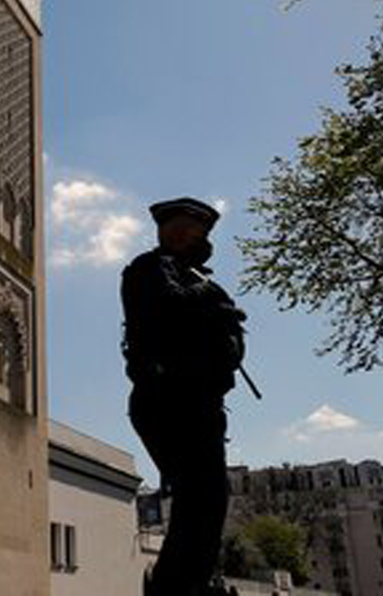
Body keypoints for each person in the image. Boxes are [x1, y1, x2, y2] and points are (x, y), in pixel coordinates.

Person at [121, 197, 246, 596]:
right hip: (168, 398)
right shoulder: (149, 268)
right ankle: (175, 587)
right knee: (201, 499)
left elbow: (230, 342)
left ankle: (188, 583)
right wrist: (216, 306)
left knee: (207, 503)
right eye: (185, 230)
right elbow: (167, 308)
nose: (194, 236)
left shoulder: (200, 280)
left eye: (199, 231)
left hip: (203, 404)